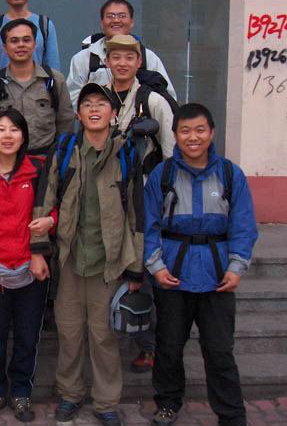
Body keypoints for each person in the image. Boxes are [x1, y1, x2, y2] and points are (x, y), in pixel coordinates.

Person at [33, 83, 144, 426]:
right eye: (87, 104)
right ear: (78, 114)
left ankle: (106, 402)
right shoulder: (65, 149)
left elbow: (137, 213)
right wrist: (38, 249)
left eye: (101, 104)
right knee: (68, 334)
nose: (94, 109)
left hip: (108, 262)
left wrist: (136, 267)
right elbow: (45, 198)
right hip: (69, 258)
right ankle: (70, 395)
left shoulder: (126, 154)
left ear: (114, 114)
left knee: (103, 336)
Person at [144, 103, 257, 426]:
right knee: (168, 347)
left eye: (199, 130)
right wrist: (156, 266)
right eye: (185, 131)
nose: (192, 138)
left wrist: (236, 267)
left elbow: (243, 226)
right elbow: (148, 226)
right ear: (175, 135)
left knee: (219, 350)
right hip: (172, 274)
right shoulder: (162, 175)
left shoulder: (230, 174)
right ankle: (167, 403)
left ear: (212, 133)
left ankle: (231, 414)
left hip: (217, 275)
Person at [0, 108, 55, 423]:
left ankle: (21, 392)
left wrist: (50, 223)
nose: (7, 136)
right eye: (1, 129)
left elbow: (55, 205)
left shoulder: (38, 170)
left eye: (14, 129)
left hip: (31, 264)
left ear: (24, 136)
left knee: (27, 336)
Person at [105, 33, 176, 374]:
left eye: (129, 58)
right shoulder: (99, 98)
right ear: (107, 61)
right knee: (122, 267)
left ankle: (152, 346)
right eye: (116, 57)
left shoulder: (153, 100)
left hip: (148, 198)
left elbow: (173, 154)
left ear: (139, 62)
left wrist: (167, 200)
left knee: (147, 268)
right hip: (109, 197)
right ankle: (129, 333)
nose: (122, 63)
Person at [66, 0, 175, 109]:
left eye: (122, 16)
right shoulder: (83, 58)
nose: (116, 20)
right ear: (102, 23)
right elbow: (72, 100)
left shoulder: (148, 57)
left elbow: (167, 100)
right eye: (110, 16)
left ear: (132, 22)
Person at [0, 18, 74, 156]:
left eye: (26, 40)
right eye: (14, 41)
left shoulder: (54, 80)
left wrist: (59, 158)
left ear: (35, 44)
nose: (21, 45)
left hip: (46, 161)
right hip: (8, 161)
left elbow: (66, 123)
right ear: (4, 47)